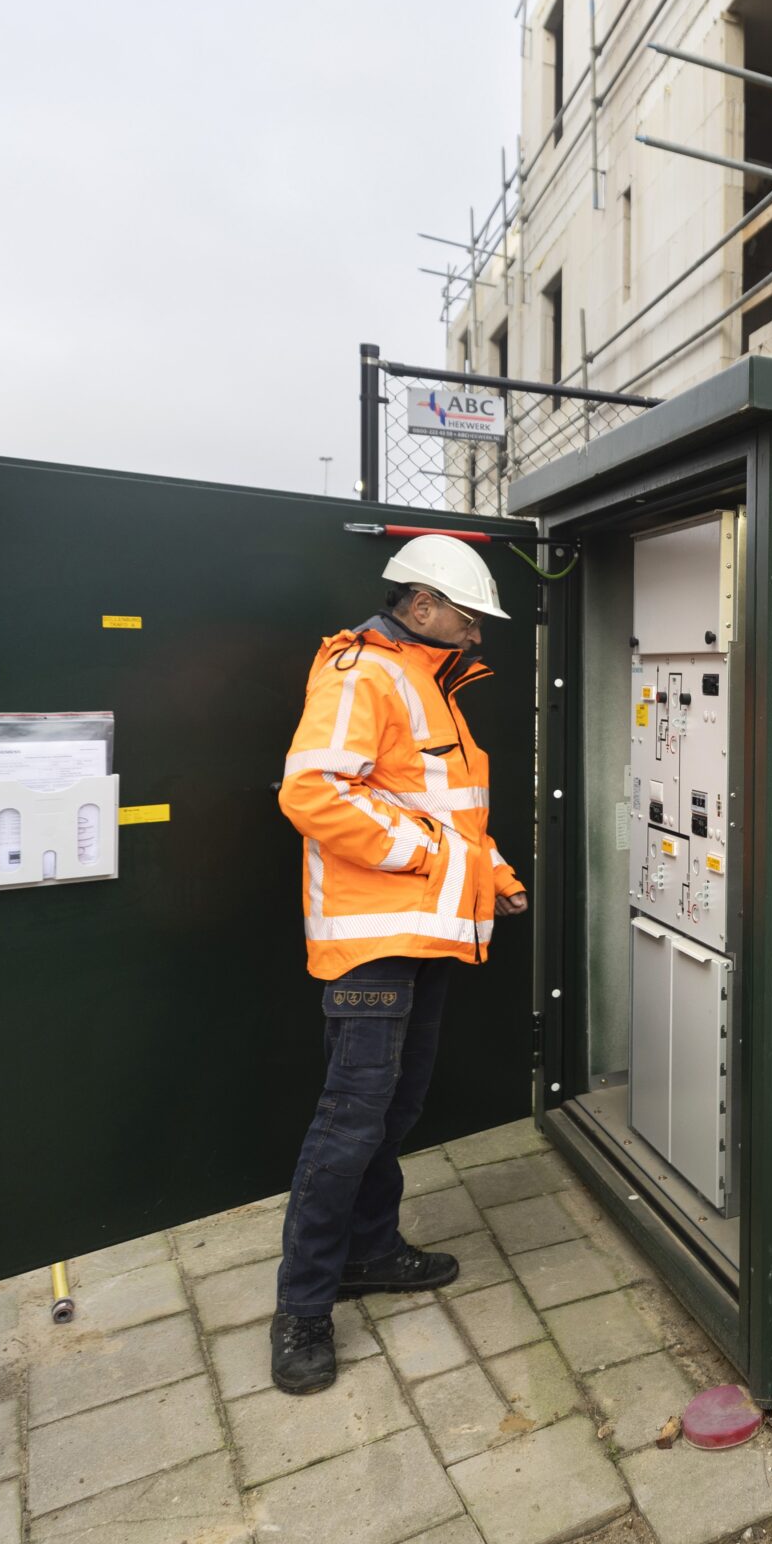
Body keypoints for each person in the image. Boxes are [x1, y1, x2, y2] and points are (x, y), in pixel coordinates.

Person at [268, 534, 528, 1393]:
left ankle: (369, 1251)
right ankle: (303, 1307)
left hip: (424, 934)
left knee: (395, 1107)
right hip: (374, 942)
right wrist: (431, 860)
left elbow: (448, 811)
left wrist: (494, 877)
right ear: (421, 605)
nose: (477, 634)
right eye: (468, 617)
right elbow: (312, 793)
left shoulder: (426, 682)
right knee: (351, 1122)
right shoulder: (363, 674)